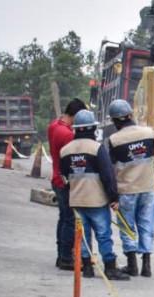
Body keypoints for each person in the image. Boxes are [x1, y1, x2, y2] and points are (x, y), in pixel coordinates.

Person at [59, 110, 129, 281]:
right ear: (92, 128)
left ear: (76, 129)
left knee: (83, 235)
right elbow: (107, 175)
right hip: (97, 201)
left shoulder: (65, 151)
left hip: (77, 201)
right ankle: (110, 268)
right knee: (103, 234)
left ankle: (87, 268)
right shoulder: (97, 148)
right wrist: (113, 197)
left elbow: (64, 176)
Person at [106, 99, 154, 278]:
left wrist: (111, 195)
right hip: (148, 188)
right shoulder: (149, 133)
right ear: (130, 115)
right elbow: (153, 156)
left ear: (114, 120)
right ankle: (147, 266)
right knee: (147, 225)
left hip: (126, 191)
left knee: (127, 226)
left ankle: (132, 265)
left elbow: (111, 169)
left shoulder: (114, 140)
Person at [48, 99, 87, 270]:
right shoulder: (67, 135)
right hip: (65, 182)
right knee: (70, 220)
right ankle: (66, 258)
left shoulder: (54, 125)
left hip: (56, 178)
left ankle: (61, 255)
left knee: (63, 218)